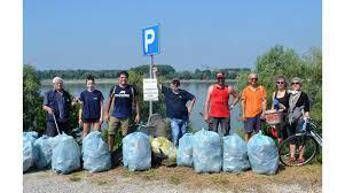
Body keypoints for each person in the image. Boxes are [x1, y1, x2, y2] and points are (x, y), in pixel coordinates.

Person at [153, 67, 196, 147]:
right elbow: (157, 84)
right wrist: (155, 74)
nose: (174, 85)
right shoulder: (167, 91)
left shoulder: (183, 93)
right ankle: (175, 150)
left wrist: (190, 108)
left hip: (184, 118)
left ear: (178, 85)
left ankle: (183, 152)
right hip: (174, 119)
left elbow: (193, 98)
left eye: (176, 84)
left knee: (183, 136)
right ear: (171, 84)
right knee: (175, 135)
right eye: (173, 84)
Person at [104, 71, 140, 152]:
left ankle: (125, 152)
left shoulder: (131, 89)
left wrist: (138, 114)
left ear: (127, 79)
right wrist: (106, 114)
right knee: (111, 133)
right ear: (119, 79)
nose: (123, 79)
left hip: (126, 116)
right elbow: (108, 101)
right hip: (115, 115)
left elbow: (136, 102)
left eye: (125, 77)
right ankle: (110, 151)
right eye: (122, 77)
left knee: (126, 136)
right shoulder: (114, 88)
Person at [203, 71, 239, 137]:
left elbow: (237, 97)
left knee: (226, 134)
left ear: (224, 78)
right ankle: (214, 147)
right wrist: (206, 114)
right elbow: (207, 102)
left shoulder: (229, 88)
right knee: (212, 135)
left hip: (225, 115)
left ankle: (226, 146)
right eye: (218, 78)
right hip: (213, 115)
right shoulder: (211, 88)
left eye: (221, 78)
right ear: (216, 79)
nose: (220, 79)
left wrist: (232, 105)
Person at [287, 77, 310, 164]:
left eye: (297, 83)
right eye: (293, 83)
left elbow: (307, 106)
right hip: (290, 119)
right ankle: (292, 156)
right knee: (291, 137)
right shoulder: (289, 94)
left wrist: (307, 116)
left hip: (300, 118)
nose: (295, 85)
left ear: (300, 85)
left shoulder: (303, 94)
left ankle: (301, 157)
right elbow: (286, 106)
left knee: (301, 137)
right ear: (291, 85)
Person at [241, 73, 267, 142]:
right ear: (249, 80)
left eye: (255, 79)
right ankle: (247, 147)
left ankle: (257, 148)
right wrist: (243, 114)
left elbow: (264, 101)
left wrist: (264, 112)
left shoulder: (261, 88)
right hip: (248, 115)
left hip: (259, 114)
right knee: (248, 133)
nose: (254, 80)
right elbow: (243, 102)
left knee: (259, 133)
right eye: (252, 79)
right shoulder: (245, 90)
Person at [270, 75, 290, 143]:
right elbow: (273, 106)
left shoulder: (288, 93)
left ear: (285, 84)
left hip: (286, 116)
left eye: (282, 82)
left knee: (287, 135)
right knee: (279, 136)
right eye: (278, 82)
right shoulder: (274, 93)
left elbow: (291, 106)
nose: (280, 84)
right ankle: (281, 152)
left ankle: (291, 151)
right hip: (277, 117)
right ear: (276, 84)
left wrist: (283, 107)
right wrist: (271, 118)